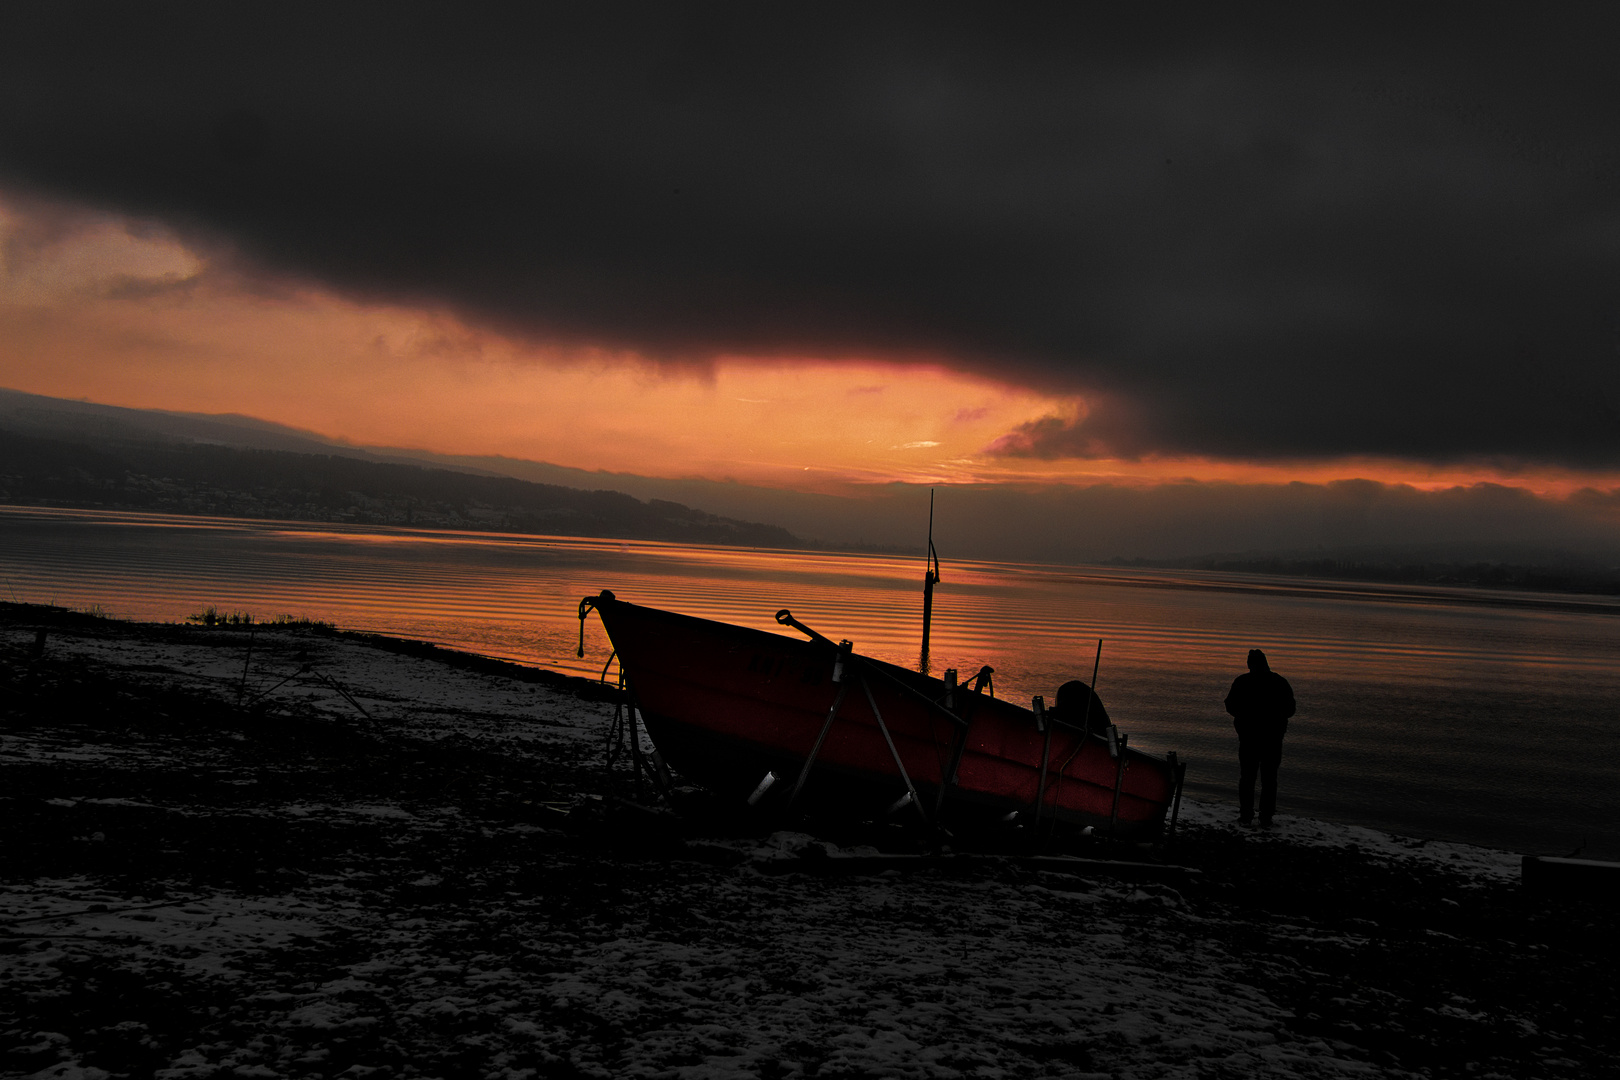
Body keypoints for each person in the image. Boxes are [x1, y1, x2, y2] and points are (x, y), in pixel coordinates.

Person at [1224, 649, 1296, 827]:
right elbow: (1290, 709)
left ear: (1250, 664)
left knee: (1247, 778)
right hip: (1272, 739)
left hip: (1249, 738)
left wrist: (1243, 718)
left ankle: (1246, 815)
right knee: (1269, 779)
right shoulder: (1279, 682)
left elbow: (1230, 705)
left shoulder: (1242, 682)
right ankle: (1265, 817)